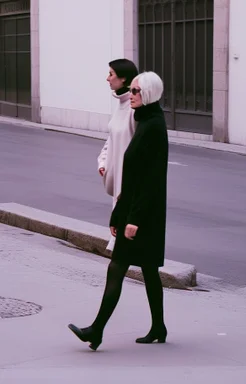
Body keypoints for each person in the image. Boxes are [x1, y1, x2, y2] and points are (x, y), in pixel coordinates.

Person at [68, 71, 169, 351]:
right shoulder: (144, 119)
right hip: (137, 208)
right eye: (132, 89)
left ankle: (96, 330)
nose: (131, 94)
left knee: (117, 267)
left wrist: (132, 219)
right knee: (148, 270)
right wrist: (117, 213)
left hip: (142, 213)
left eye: (135, 91)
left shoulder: (153, 127)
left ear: (147, 94)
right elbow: (132, 175)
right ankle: (158, 327)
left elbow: (149, 179)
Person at [97, 59, 138, 251]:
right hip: (119, 180)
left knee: (121, 254)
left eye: (111, 74)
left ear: (123, 79)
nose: (107, 78)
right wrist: (103, 161)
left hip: (129, 182)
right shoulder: (120, 105)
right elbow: (111, 138)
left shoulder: (133, 108)